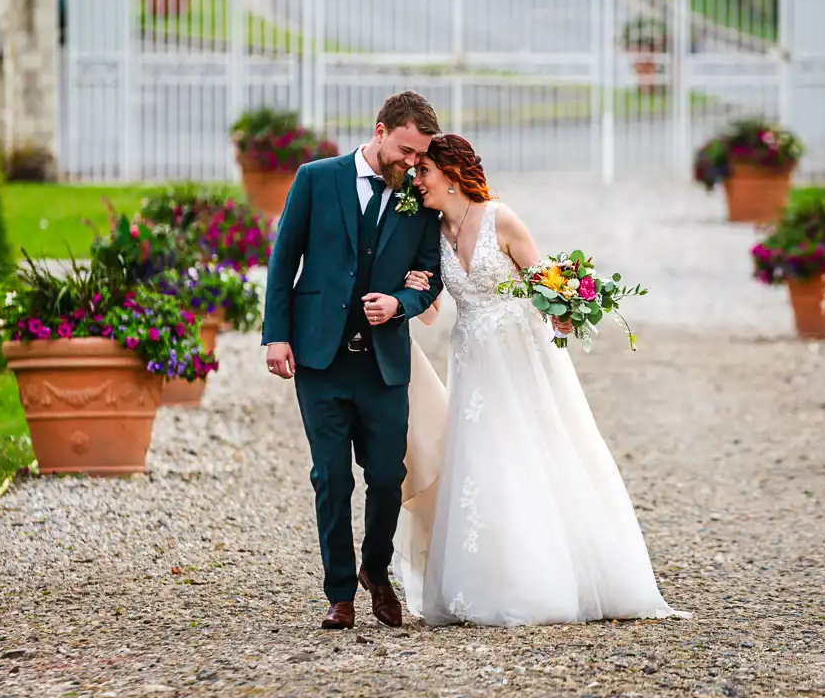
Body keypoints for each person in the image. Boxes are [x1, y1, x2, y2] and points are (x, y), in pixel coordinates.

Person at [392, 133, 687, 626]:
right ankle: (494, 578)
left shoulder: (499, 218)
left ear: (451, 173)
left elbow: (545, 282)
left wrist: (568, 310)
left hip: (518, 354)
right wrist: (414, 288)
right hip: (472, 361)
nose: (416, 180)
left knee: (535, 447)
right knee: (481, 459)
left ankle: (558, 577)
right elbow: (431, 313)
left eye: (423, 171)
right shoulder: (430, 232)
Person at [261, 91, 444, 631]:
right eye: (407, 149)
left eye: (420, 155)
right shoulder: (316, 179)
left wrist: (401, 303)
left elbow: (429, 271)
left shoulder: (418, 195)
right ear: (381, 129)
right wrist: (276, 336)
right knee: (331, 478)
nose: (412, 163)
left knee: (387, 475)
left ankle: (377, 570)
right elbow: (283, 259)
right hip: (320, 358)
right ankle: (339, 592)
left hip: (384, 363)